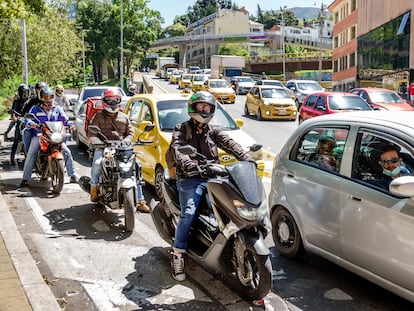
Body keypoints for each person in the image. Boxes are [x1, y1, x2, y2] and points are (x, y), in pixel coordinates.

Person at [169, 91, 255, 281]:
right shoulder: (181, 129)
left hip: (214, 177)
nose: (205, 110)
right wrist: (190, 165)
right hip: (190, 178)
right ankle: (178, 254)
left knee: (232, 206)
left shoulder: (213, 131)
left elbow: (231, 144)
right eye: (201, 106)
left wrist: (247, 159)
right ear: (193, 108)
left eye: (208, 107)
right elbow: (177, 149)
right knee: (189, 212)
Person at [88, 89, 149, 213]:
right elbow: (91, 133)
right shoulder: (98, 116)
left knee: (136, 167)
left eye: (115, 100)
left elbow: (131, 132)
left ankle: (141, 200)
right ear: (104, 101)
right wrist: (97, 142)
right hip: (103, 147)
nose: (113, 103)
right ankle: (94, 189)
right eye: (110, 100)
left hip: (122, 148)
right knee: (97, 163)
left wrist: (126, 141)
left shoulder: (124, 117)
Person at [18, 87, 77, 188]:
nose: (48, 99)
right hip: (40, 135)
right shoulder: (35, 108)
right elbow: (28, 118)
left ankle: (72, 175)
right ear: (41, 97)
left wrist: (70, 124)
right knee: (31, 153)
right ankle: (25, 179)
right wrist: (31, 123)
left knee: (67, 152)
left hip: (55, 135)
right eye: (45, 97)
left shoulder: (57, 108)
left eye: (50, 97)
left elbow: (65, 119)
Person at [21, 81, 47, 154]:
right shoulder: (32, 101)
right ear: (36, 90)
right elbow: (24, 114)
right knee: (26, 132)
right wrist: (24, 121)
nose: (41, 91)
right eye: (39, 89)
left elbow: (59, 113)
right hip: (34, 126)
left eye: (42, 89)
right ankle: (28, 154)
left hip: (48, 127)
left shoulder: (51, 101)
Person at [10, 84, 30, 165]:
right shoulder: (17, 101)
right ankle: (12, 157)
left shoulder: (30, 101)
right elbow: (13, 111)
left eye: (26, 92)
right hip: (20, 122)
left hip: (29, 121)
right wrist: (14, 117)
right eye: (24, 93)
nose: (25, 94)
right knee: (16, 139)